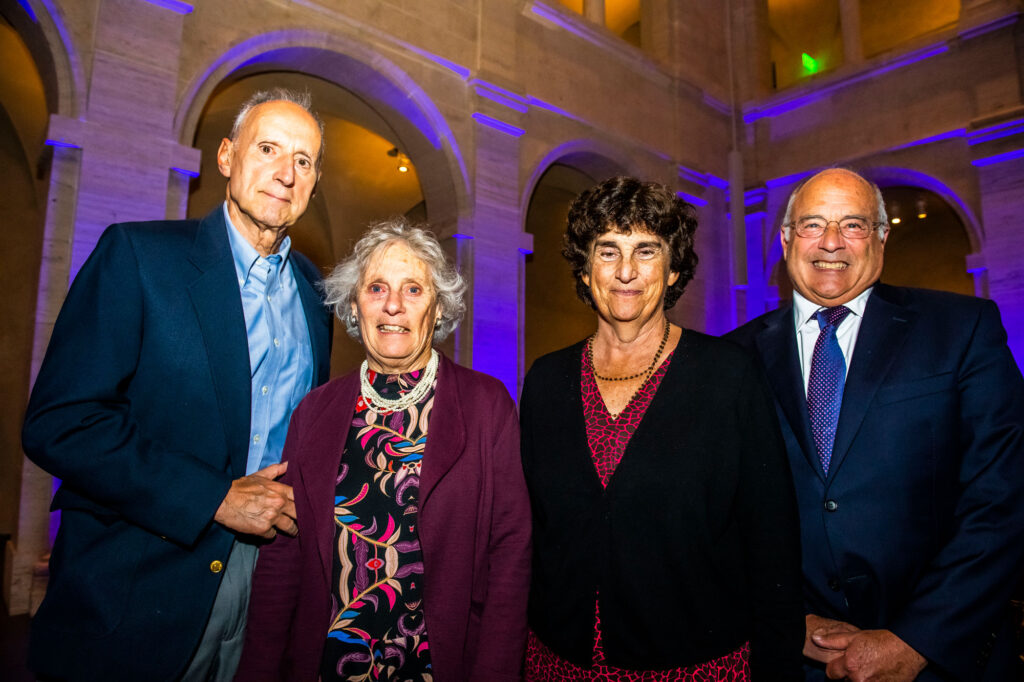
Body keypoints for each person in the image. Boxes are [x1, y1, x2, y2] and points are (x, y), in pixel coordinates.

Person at [21, 88, 333, 681]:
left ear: (314, 183)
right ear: (225, 156)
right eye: (267, 148)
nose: (285, 173)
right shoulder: (138, 257)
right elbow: (61, 422)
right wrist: (214, 496)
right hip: (139, 588)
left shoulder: (316, 295)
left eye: (303, 160)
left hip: (264, 590)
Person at [726, 167, 1024, 681]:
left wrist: (916, 639)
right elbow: (719, 515)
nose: (832, 243)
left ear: (882, 237)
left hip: (939, 659)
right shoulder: (731, 357)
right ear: (786, 238)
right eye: (813, 224)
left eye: (854, 225)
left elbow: (1004, 496)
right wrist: (782, 620)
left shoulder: (963, 328)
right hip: (794, 660)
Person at [520, 176, 805, 681]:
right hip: (557, 662)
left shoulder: (729, 375)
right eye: (607, 251)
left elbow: (773, 545)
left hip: (696, 665)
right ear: (585, 271)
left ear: (673, 270)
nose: (626, 271)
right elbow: (529, 534)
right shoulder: (544, 382)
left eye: (646, 250)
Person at [234, 218, 531, 682]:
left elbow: (510, 552)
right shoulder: (312, 412)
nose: (393, 305)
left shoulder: (487, 405)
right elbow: (282, 562)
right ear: (355, 305)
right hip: (329, 666)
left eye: (413, 289)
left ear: (437, 308)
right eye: (376, 288)